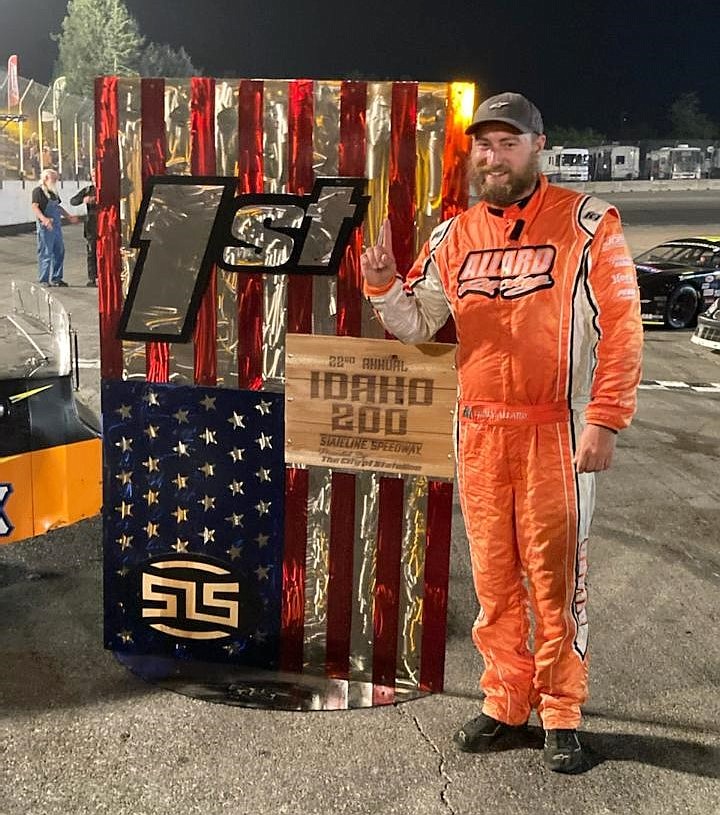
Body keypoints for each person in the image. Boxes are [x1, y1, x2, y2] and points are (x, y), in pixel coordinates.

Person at [360, 92, 643, 774]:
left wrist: (604, 418)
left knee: (556, 580)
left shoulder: (589, 221)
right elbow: (419, 323)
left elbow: (622, 328)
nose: (493, 155)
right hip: (480, 431)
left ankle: (561, 711)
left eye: (507, 142)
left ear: (538, 144)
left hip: (558, 431)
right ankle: (506, 700)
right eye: (483, 144)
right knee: (494, 581)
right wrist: (382, 287)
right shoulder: (452, 235)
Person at [31, 169, 79, 287]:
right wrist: (44, 219)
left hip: (56, 227)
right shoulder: (38, 191)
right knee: (46, 253)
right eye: (54, 178)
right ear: (46, 178)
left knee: (59, 252)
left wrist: (69, 216)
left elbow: (57, 207)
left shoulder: (53, 192)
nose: (56, 180)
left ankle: (57, 278)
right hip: (45, 228)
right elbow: (35, 207)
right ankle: (44, 280)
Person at [70, 168, 97, 287]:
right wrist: (84, 199)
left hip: (106, 224)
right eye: (93, 175)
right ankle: (92, 277)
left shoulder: (108, 188)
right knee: (92, 252)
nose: (94, 177)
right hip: (92, 224)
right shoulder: (88, 189)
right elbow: (73, 201)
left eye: (96, 175)